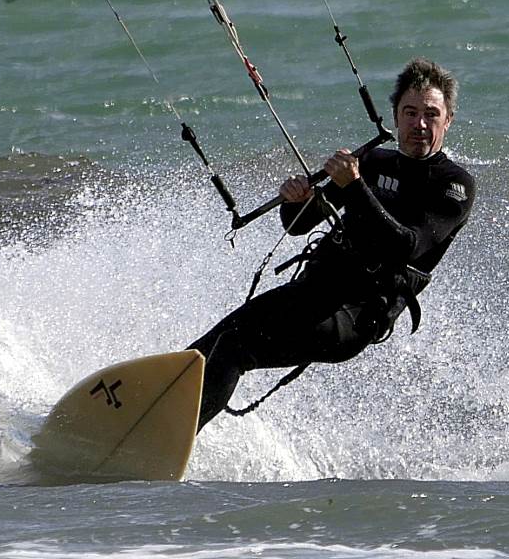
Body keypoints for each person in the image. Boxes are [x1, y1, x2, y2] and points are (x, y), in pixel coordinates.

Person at [187, 58, 476, 429]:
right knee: (206, 347)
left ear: (448, 119)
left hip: (352, 316)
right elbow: (298, 224)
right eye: (410, 112)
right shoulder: (373, 161)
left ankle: (165, 443)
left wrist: (354, 187)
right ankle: (137, 405)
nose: (419, 124)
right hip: (312, 292)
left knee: (233, 349)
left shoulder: (454, 185)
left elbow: (406, 245)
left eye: (431, 114)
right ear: (395, 115)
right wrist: (295, 199)